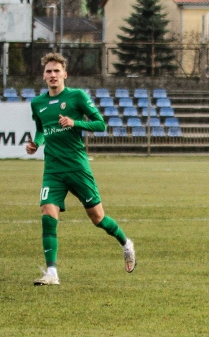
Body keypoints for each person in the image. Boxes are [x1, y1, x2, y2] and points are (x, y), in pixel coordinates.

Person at [26, 52, 135, 286]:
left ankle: (126, 243)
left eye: (57, 71)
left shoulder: (77, 97)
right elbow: (41, 129)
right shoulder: (37, 104)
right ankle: (52, 273)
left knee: (98, 218)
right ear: (43, 76)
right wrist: (36, 143)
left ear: (65, 74)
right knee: (47, 212)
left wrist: (76, 122)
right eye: (48, 71)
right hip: (53, 170)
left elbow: (100, 124)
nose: (53, 75)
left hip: (77, 167)